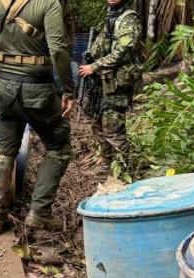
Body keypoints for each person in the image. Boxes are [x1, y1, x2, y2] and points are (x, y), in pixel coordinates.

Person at [0, 0, 75, 234]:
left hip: (3, 90)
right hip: (38, 91)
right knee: (58, 148)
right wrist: (68, 90)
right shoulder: (48, 4)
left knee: (4, 152)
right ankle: (40, 213)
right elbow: (58, 50)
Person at [79, 0, 140, 174]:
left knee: (113, 129)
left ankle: (124, 171)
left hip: (117, 84)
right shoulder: (109, 17)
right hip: (102, 82)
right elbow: (100, 47)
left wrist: (95, 66)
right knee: (97, 124)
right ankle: (106, 165)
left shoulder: (129, 19)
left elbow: (123, 52)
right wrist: (91, 55)